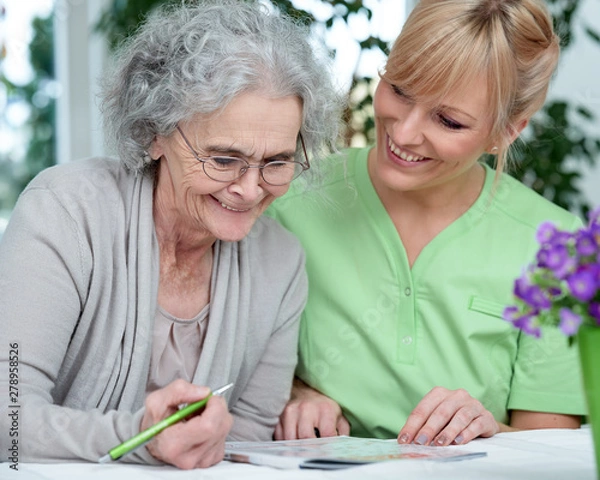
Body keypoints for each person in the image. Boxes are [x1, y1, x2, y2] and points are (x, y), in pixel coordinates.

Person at [0, 0, 341, 469]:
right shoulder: (65, 211)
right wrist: (138, 439)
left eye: (276, 163)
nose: (248, 188)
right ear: (154, 133)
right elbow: (7, 418)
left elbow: (246, 442)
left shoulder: (281, 264)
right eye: (223, 160)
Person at [268, 0, 586, 447]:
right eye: (399, 89)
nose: (404, 133)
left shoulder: (561, 251)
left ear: (506, 132)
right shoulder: (285, 200)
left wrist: (491, 430)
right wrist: (290, 393)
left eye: (448, 120)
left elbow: (552, 450)